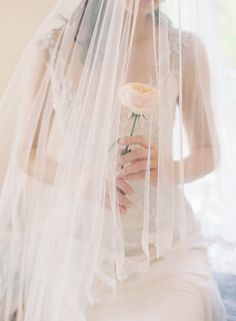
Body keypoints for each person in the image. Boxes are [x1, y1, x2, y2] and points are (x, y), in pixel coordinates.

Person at [0, 1, 233, 320]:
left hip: (166, 249)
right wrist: (81, 179)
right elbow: (28, 151)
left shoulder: (185, 50)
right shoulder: (51, 49)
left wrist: (168, 169)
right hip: (82, 247)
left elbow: (208, 150)